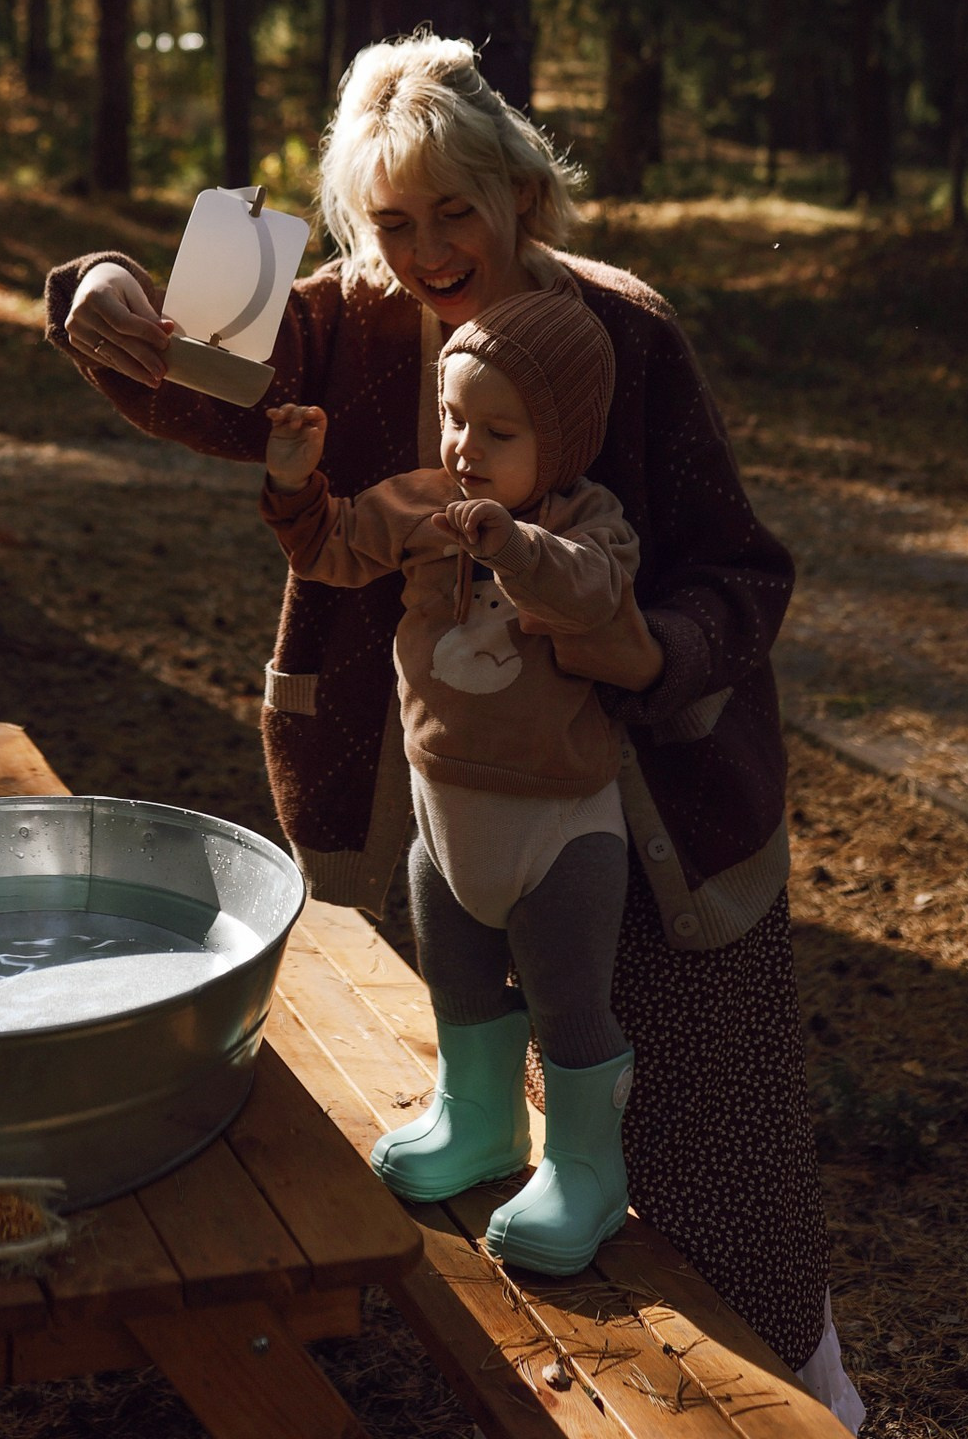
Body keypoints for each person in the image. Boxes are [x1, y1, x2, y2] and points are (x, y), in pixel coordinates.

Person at [46, 32, 863, 1431]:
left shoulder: (625, 330)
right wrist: (97, 290)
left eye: (454, 212)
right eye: (390, 220)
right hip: (448, 814)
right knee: (507, 1140)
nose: (424, 250)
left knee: (716, 1164)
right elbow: (165, 359)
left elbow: (739, 572)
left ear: (518, 192)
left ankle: (821, 1404)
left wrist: (645, 646)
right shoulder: (335, 323)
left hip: (661, 818)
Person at [263, 278, 646, 1272]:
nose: (465, 445)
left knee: (568, 999)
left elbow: (596, 593)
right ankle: (478, 1120)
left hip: (558, 827)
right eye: (452, 415)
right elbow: (333, 548)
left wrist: (513, 546)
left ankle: (586, 1169)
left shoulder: (589, 523)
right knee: (460, 978)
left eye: (498, 430)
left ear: (560, 441)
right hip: (444, 811)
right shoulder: (426, 502)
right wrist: (296, 482)